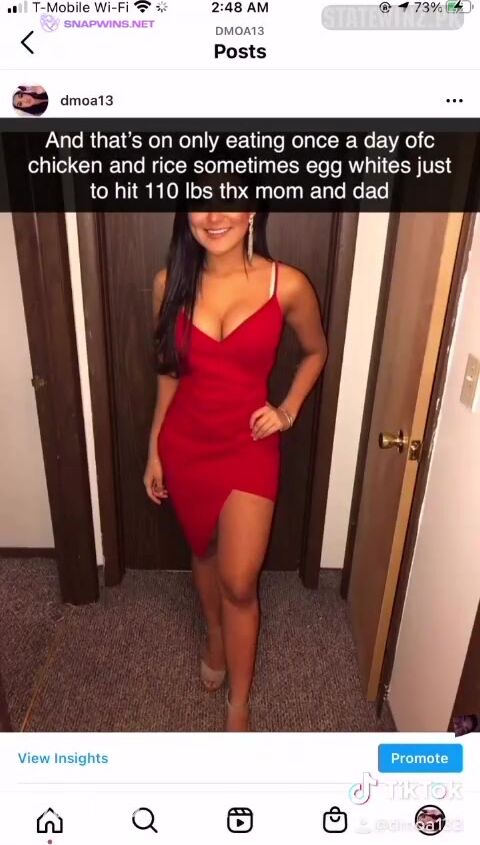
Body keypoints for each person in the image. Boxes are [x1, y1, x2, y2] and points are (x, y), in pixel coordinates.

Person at [143, 210, 327, 731]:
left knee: (240, 582)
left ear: (251, 213)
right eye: (202, 199)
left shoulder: (286, 284)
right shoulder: (168, 283)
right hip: (185, 444)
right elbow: (167, 373)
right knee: (203, 547)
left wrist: (287, 410)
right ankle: (215, 636)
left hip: (249, 444)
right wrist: (154, 448)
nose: (214, 215)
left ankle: (239, 702)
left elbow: (316, 352)